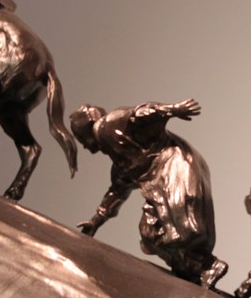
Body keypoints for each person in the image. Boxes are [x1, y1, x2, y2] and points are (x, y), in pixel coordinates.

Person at [72, 99, 227, 288]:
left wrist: (172, 110)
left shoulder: (106, 126)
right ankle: (192, 270)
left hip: (174, 165)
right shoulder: (120, 164)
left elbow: (140, 114)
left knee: (181, 226)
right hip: (159, 185)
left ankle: (208, 265)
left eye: (81, 139)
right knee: (150, 233)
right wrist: (95, 221)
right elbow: (117, 192)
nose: (85, 146)